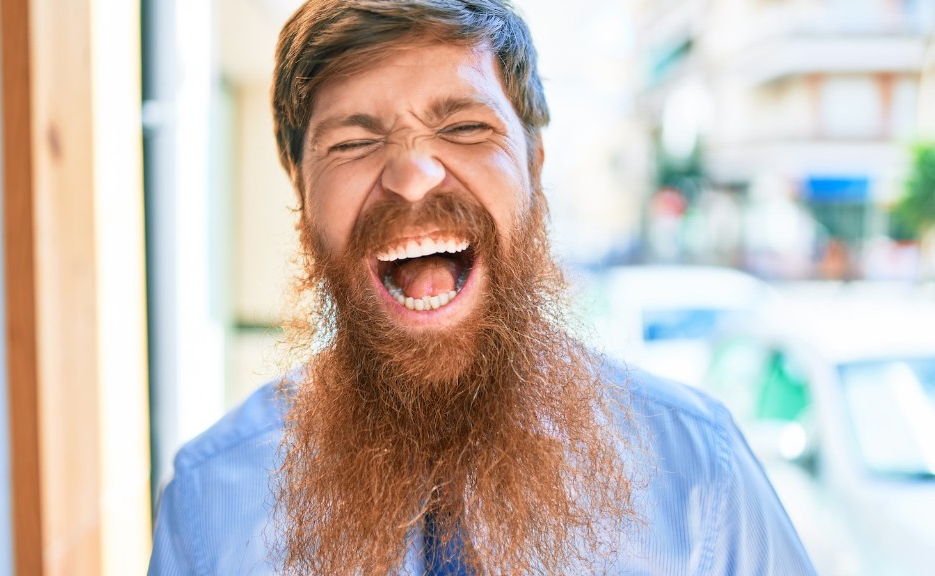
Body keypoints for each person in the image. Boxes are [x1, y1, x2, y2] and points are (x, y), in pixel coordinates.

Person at [148, 1, 816, 574]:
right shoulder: (209, 503)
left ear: (535, 167)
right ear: (301, 195)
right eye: (353, 142)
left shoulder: (699, 472)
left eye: (465, 128)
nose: (412, 175)